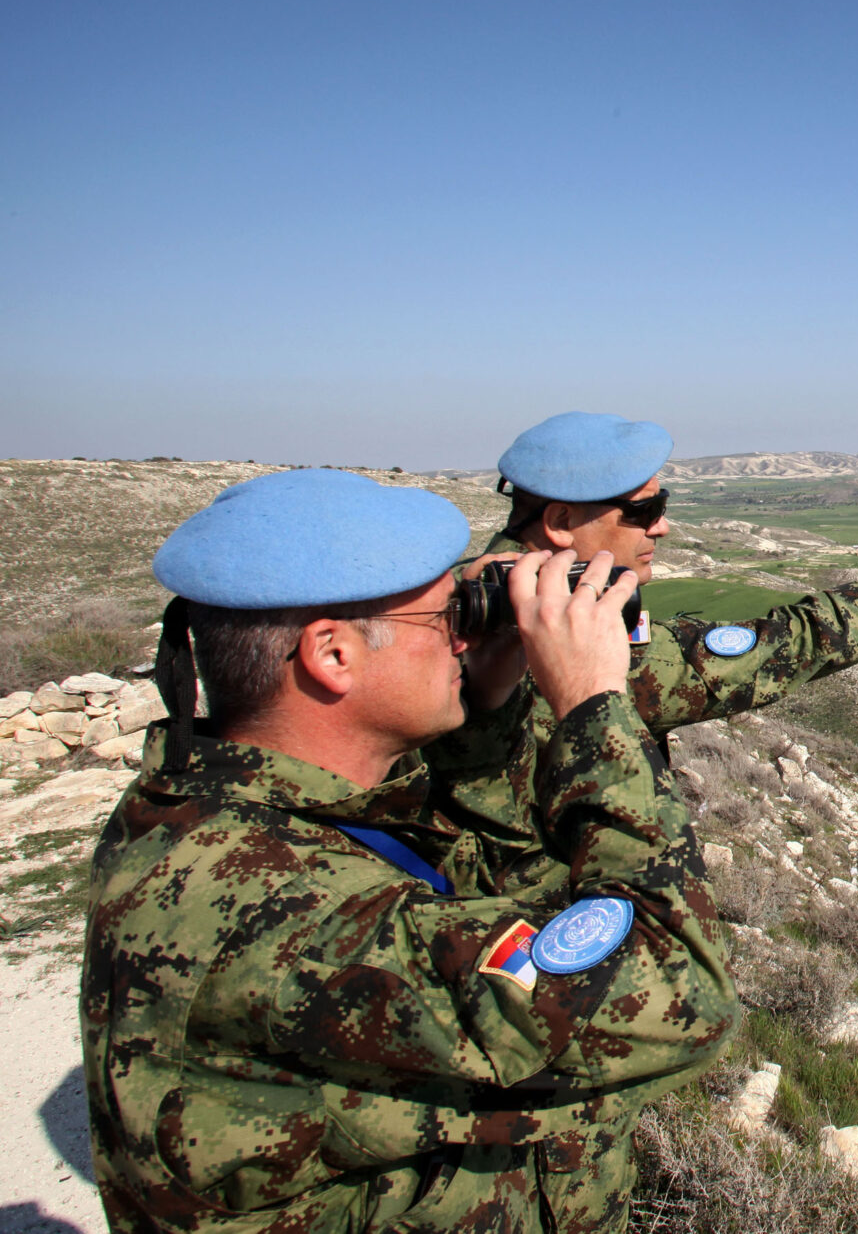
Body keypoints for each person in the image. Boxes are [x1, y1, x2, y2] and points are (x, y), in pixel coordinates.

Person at [83, 468, 738, 1234]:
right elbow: (682, 987)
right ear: (332, 654)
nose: (464, 633)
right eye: (443, 617)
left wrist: (489, 702)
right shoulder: (287, 913)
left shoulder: (225, 813)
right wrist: (593, 707)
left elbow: (501, 886)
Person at [432, 410, 858, 891]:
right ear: (562, 521)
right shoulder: (545, 629)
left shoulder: (467, 593)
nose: (663, 527)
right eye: (644, 509)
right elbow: (797, 643)